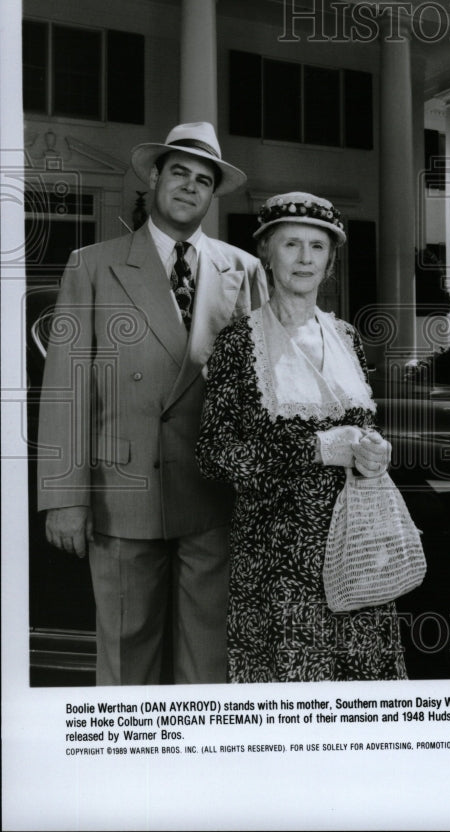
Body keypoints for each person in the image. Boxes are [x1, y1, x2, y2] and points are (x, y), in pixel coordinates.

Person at [37, 122, 266, 685]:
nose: (190, 187)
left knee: (209, 663)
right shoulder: (92, 264)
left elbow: (264, 391)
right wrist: (66, 497)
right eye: (179, 173)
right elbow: (67, 385)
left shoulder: (243, 269)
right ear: (155, 178)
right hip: (122, 496)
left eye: (203, 180)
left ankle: (200, 769)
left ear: (212, 195)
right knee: (125, 656)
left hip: (212, 497)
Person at [196, 192, 407, 683]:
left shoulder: (347, 336)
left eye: (318, 246)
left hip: (357, 550)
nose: (305, 258)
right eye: (291, 244)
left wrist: (373, 451)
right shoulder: (239, 343)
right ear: (267, 254)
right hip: (279, 562)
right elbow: (213, 454)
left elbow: (361, 426)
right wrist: (311, 448)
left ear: (331, 260)